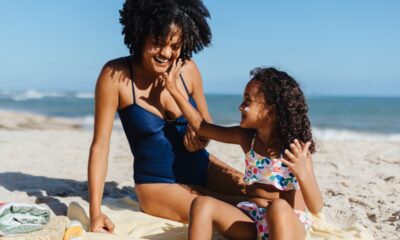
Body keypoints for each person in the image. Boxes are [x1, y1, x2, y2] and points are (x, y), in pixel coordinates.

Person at [88, 0, 251, 233]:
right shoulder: (115, 76)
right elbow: (100, 147)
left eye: (174, 46)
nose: (166, 53)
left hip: (202, 167)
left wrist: (200, 138)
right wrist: (96, 212)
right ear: (140, 35)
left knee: (263, 197)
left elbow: (207, 124)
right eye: (157, 43)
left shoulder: (189, 69)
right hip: (158, 186)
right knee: (242, 213)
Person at [163, 63, 323, 240]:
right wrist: (173, 89)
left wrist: (302, 172)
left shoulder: (296, 151)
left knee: (277, 207)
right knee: (202, 204)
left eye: (248, 101)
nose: (240, 106)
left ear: (270, 111)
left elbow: (316, 207)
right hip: (253, 220)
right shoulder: (247, 139)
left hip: (288, 225)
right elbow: (201, 127)